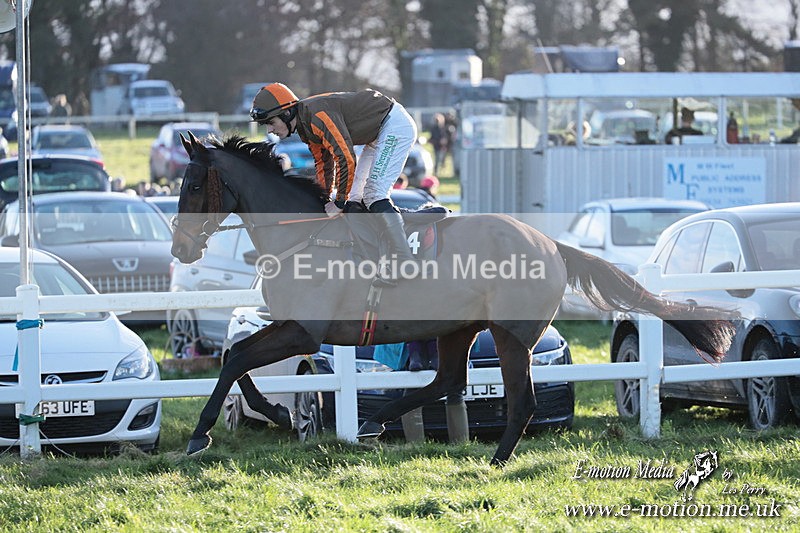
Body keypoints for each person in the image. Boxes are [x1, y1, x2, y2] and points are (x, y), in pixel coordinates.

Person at [250, 83, 419, 283]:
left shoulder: (317, 116)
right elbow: (324, 163)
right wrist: (322, 198)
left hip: (394, 126)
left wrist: (338, 201)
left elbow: (346, 158)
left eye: (271, 122)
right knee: (355, 198)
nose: (270, 130)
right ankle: (375, 260)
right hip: (376, 134)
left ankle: (404, 260)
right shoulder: (305, 126)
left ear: (286, 114)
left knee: (374, 194)